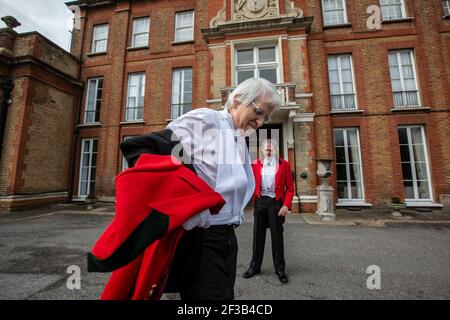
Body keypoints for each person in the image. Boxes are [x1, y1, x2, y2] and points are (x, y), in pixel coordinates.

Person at [121, 77, 281, 300]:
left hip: (227, 238)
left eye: (266, 116)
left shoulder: (238, 137)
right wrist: (187, 202)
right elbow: (148, 148)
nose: (261, 122)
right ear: (236, 101)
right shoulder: (208, 120)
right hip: (202, 238)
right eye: (259, 112)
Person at [243, 139, 294, 284]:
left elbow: (290, 189)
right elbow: (250, 183)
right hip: (260, 203)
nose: (268, 152)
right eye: (266, 149)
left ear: (276, 151)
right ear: (262, 151)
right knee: (257, 237)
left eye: (271, 149)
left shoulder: (284, 165)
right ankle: (255, 267)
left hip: (275, 203)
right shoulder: (256, 164)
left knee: (277, 238)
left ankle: (280, 269)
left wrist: (286, 205)